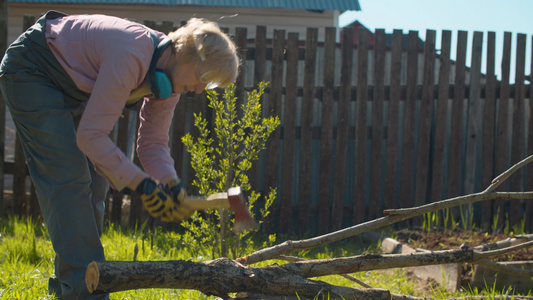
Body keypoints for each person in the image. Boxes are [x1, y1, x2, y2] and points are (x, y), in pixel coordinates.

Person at [0, 10, 239, 299]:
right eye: (205, 78)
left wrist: (169, 182)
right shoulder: (132, 53)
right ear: (186, 55)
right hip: (33, 69)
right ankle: (85, 292)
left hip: (72, 84)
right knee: (69, 179)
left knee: (96, 181)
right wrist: (142, 184)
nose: (201, 90)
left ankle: (76, 280)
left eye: (211, 85)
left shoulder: (169, 81)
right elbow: (91, 137)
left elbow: (152, 143)